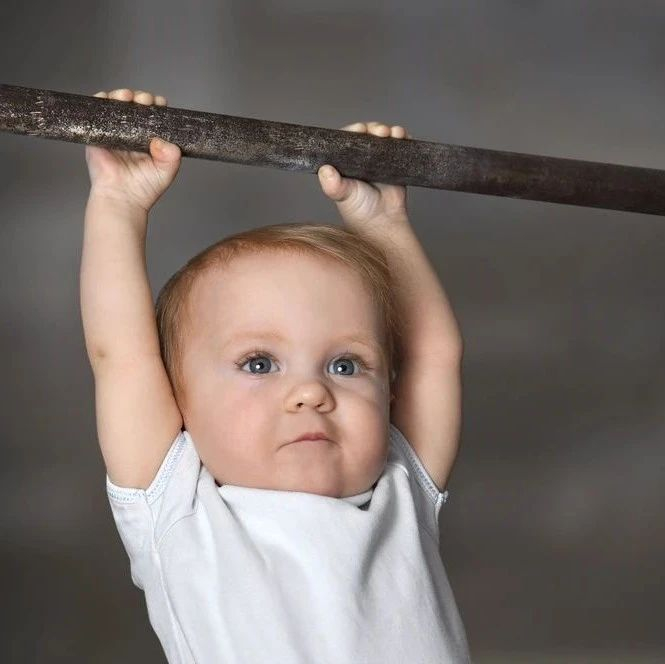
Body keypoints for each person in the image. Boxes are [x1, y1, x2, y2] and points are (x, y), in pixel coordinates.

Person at [80, 87, 471, 663]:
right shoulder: (179, 510)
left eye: (345, 365)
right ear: (178, 398)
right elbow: (121, 356)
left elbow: (432, 353)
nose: (311, 392)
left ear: (388, 389)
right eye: (259, 364)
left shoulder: (401, 494)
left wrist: (384, 224)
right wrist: (118, 203)